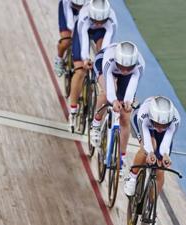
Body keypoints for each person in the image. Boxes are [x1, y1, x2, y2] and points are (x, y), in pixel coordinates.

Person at [90, 41, 145, 175]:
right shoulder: (110, 59)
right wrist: (114, 100)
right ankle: (96, 125)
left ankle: (122, 156)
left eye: (128, 68)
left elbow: (132, 87)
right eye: (122, 67)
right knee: (106, 93)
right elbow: (109, 87)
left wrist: (127, 102)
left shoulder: (139, 65)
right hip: (104, 66)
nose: (125, 70)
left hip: (126, 77)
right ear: (118, 61)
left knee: (125, 116)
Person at [68, 0, 117, 129]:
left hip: (100, 33)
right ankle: (72, 110)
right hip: (84, 31)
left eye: (102, 21)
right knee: (80, 71)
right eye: (96, 21)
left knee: (102, 54)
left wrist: (99, 64)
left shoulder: (112, 20)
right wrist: (85, 59)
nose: (99, 23)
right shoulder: (84, 15)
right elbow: (83, 39)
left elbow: (105, 49)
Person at [124, 96, 181, 197]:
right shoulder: (143, 114)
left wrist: (165, 155)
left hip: (163, 132)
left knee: (160, 167)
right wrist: (150, 152)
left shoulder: (175, 120)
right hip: (144, 125)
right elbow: (147, 143)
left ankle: (151, 204)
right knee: (147, 148)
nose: (160, 128)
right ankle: (132, 177)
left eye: (164, 125)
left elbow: (166, 142)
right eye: (158, 125)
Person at [54, 0, 87, 77]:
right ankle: (59, 59)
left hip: (85, 9)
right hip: (67, 8)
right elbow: (70, 25)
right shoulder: (67, 2)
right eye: (76, 6)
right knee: (66, 41)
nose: (77, 8)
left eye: (79, 6)